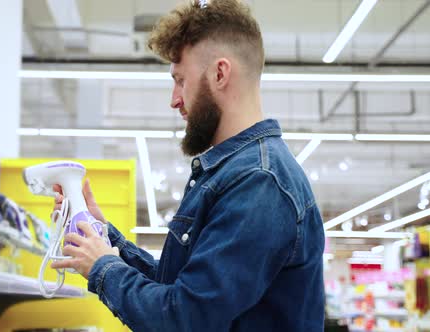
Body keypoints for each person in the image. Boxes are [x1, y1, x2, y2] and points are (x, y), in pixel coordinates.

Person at [50, 0, 325, 331]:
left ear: (220, 74)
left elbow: (184, 319)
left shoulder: (258, 183)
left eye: (180, 80)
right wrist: (106, 240)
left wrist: (103, 267)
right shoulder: (236, 174)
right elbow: (181, 290)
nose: (174, 99)